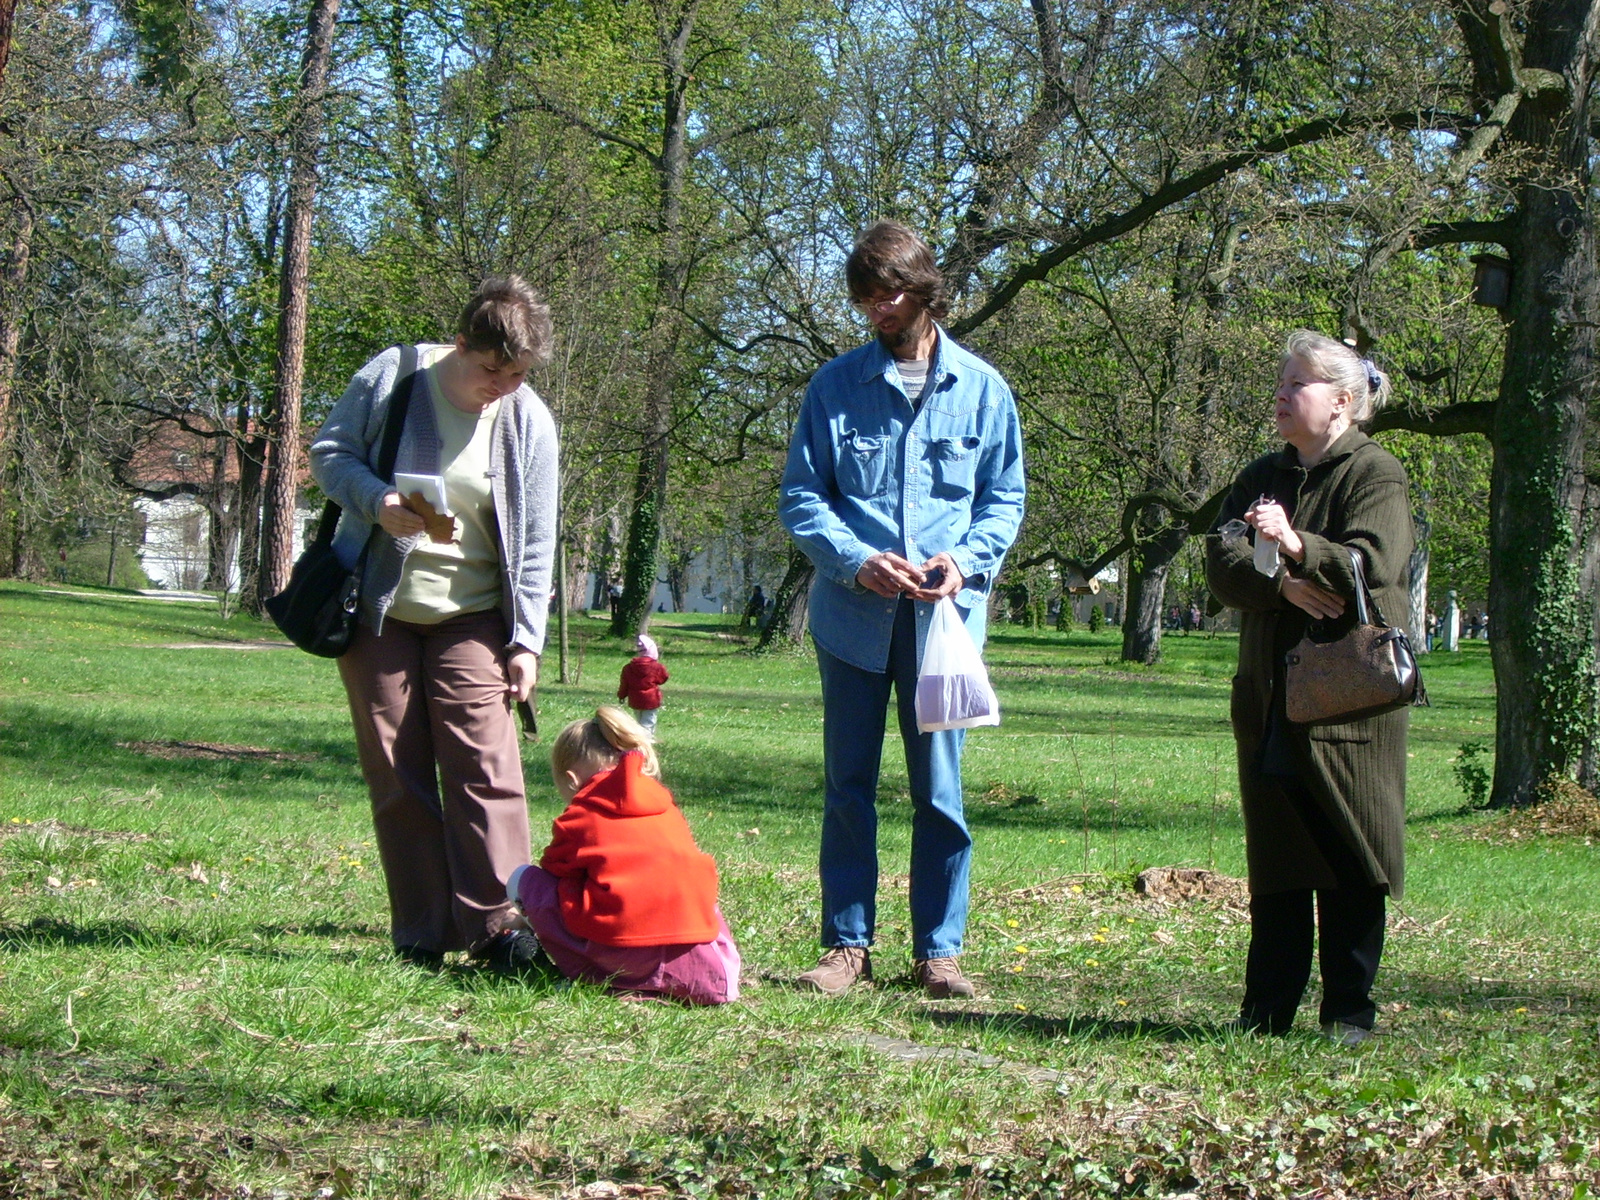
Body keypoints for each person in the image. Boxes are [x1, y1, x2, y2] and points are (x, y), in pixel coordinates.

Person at [777, 220, 1026, 999]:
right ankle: (846, 947)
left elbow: (1004, 498)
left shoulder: (984, 391)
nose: (875, 311)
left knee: (939, 793)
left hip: (943, 634)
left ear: (923, 289)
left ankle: (938, 951)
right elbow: (801, 498)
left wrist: (966, 560)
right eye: (864, 298)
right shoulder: (833, 387)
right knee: (848, 786)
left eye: (886, 294)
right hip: (852, 626)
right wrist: (857, 561)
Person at [309, 275, 558, 973]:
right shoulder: (394, 376)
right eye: (491, 370)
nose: (502, 386)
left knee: (485, 763)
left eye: (517, 374)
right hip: (380, 609)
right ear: (461, 343)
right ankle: (419, 933)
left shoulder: (527, 419)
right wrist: (377, 500)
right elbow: (330, 454)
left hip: (474, 614)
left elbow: (537, 540)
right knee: (397, 768)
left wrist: (527, 642)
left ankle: (500, 930)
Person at [1205, 330, 1413, 1045]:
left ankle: (1350, 1015)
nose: (1282, 396)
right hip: (1269, 695)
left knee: (1349, 848)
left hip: (1348, 702)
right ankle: (1266, 1014)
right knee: (1280, 858)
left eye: (1298, 385)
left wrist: (1300, 547)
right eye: (1280, 384)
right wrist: (1284, 586)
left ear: (1344, 401)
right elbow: (1220, 562)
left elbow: (1375, 565)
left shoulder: (1375, 473)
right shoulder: (1263, 473)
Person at [506, 707, 741, 1004]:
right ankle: (700, 976)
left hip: (619, 953)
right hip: (692, 953)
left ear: (571, 780)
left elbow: (554, 872)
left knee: (525, 880)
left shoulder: (579, 816)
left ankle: (591, 976)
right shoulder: (667, 808)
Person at [617, 634, 668, 733]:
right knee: (649, 722)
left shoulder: (628, 668)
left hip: (635, 699)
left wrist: (621, 695)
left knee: (639, 721)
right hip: (651, 700)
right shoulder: (657, 667)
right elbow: (663, 678)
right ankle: (646, 742)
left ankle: (639, 739)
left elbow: (624, 684)